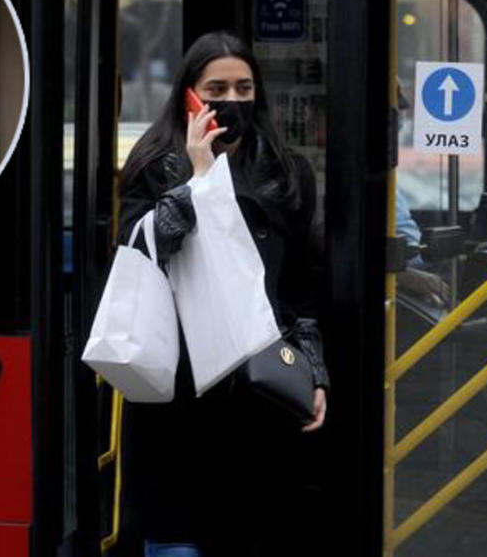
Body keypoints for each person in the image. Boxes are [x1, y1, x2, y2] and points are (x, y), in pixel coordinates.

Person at [117, 31, 330, 556]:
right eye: (217, 88)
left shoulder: (285, 169)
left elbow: (300, 282)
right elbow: (141, 249)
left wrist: (313, 372)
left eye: (244, 87)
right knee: (175, 532)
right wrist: (199, 175)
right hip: (178, 385)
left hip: (258, 383)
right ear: (190, 94)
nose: (232, 101)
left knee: (255, 528)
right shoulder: (155, 162)